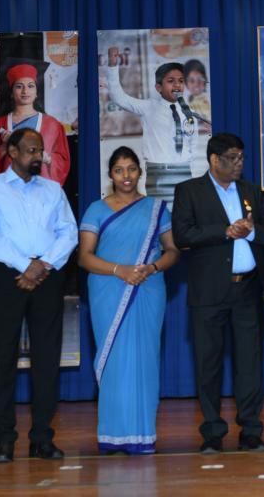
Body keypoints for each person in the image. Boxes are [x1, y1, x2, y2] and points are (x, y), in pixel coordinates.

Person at [0, 128, 78, 463]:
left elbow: (69, 232)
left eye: (40, 150)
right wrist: (25, 265)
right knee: (1, 359)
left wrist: (42, 265)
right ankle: (4, 440)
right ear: (12, 152)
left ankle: (42, 438)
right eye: (31, 150)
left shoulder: (52, 189)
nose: (38, 156)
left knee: (46, 360)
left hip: (47, 276)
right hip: (8, 277)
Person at [171, 133, 264, 454]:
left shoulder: (250, 191)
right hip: (208, 292)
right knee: (208, 365)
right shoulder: (189, 191)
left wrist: (252, 231)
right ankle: (212, 433)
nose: (239, 163)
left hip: (247, 290)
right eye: (233, 158)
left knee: (250, 364)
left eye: (242, 157)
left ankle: (251, 431)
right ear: (214, 160)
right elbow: (182, 235)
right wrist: (225, 231)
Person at [78, 146, 181, 455]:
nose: (126, 175)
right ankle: (112, 436)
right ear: (110, 174)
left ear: (140, 172)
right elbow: (84, 257)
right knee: (114, 360)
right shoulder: (96, 210)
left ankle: (142, 435)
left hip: (147, 288)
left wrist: (151, 268)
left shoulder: (156, 209)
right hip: (108, 289)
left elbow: (173, 251)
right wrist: (119, 270)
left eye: (132, 169)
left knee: (144, 360)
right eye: (119, 170)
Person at [105, 47, 199, 211]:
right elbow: (119, 98)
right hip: (159, 173)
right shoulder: (149, 107)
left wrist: (186, 164)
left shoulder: (189, 112)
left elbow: (193, 142)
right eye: (171, 81)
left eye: (181, 81)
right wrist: (113, 66)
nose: (177, 85)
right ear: (158, 87)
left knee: (184, 216)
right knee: (159, 217)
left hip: (184, 171)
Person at [0, 62, 71, 186]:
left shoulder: (53, 125)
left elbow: (63, 162)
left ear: (36, 92)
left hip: (40, 191)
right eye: (19, 86)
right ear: (11, 92)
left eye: (30, 86)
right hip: (7, 191)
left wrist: (47, 158)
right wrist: (4, 147)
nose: (25, 91)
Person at [183, 58, 213, 123]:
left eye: (200, 79)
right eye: (191, 81)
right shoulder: (186, 101)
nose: (196, 84)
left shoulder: (209, 99)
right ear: (186, 83)